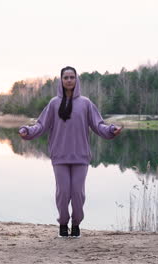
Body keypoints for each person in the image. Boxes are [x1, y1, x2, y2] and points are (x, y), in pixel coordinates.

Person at [18, 66, 122, 238]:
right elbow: (41, 125)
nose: (68, 80)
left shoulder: (86, 103)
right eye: (65, 77)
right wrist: (27, 131)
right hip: (60, 156)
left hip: (81, 156)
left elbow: (98, 124)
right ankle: (63, 224)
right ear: (61, 80)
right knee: (63, 192)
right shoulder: (53, 103)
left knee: (78, 194)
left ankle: (76, 224)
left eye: (72, 77)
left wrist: (111, 129)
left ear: (76, 80)